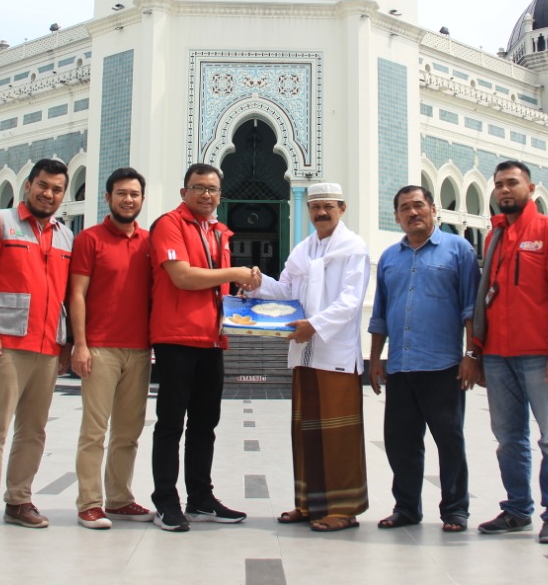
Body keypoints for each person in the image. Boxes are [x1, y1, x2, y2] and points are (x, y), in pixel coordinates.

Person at [247, 182, 371, 532]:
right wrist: (258, 283)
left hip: (335, 355)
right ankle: (308, 503)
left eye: (327, 206)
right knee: (306, 433)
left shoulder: (353, 248)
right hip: (304, 355)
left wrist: (314, 326)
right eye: (315, 207)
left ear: (342, 208)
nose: (320, 212)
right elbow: (285, 292)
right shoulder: (302, 251)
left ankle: (343, 508)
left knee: (338, 435)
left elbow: (350, 301)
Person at [148, 163, 261, 532]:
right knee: (170, 423)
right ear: (184, 193)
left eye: (212, 189)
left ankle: (200, 497)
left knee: (204, 424)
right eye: (198, 187)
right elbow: (181, 276)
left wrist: (243, 290)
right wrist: (234, 274)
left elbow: (219, 289)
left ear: (220, 195)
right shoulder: (169, 225)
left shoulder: (218, 233)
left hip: (212, 339)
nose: (206, 194)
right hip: (177, 338)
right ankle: (166, 500)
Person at [475, 160, 548, 545]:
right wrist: (479, 351)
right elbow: (487, 296)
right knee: (509, 438)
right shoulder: (494, 237)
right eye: (499, 184)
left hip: (540, 354)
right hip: (498, 355)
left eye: (513, 183)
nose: (505, 190)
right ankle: (517, 509)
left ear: (531, 188)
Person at [0, 158, 74, 534]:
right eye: (43, 185)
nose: (49, 193)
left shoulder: (65, 235)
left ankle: (19, 499)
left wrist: (65, 343)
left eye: (57, 189)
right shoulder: (0, 222)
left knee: (34, 429)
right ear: (28, 186)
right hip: (5, 343)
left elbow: (63, 296)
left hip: (47, 345)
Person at [368, 185, 480, 532]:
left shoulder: (458, 250)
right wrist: (375, 359)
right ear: (396, 216)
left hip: (443, 366)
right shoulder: (389, 257)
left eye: (419, 205)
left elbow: (470, 307)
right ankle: (406, 507)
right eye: (405, 208)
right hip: (400, 366)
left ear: (433, 209)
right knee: (400, 443)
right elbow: (380, 313)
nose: (413, 212)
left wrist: (471, 353)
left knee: (449, 440)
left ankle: (455, 509)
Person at [68, 167, 155, 529]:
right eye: (121, 193)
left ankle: (119, 498)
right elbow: (77, 294)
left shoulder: (150, 242)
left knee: (128, 431)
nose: (128, 199)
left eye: (134, 194)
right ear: (108, 197)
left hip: (139, 349)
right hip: (100, 348)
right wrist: (80, 345)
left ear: (142, 199)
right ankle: (90, 502)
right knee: (94, 431)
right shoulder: (89, 240)